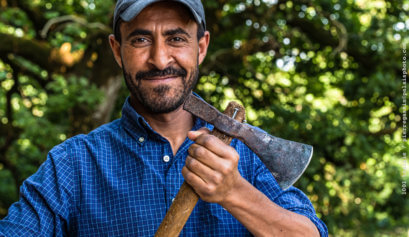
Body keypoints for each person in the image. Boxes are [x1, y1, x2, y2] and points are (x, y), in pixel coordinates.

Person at [0, 0, 328, 236]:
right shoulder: (73, 164)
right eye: (141, 39)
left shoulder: (249, 154)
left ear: (201, 47)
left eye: (176, 38)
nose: (159, 59)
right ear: (117, 50)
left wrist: (233, 192)